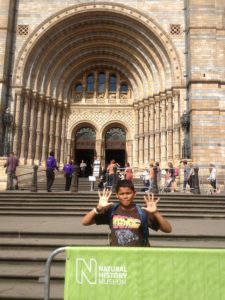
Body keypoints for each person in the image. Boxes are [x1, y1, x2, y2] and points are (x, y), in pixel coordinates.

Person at [82, 180, 172, 247]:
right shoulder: (111, 210)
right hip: (117, 258)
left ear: (134, 194)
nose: (125, 196)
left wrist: (156, 213)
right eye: (122, 194)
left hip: (139, 258)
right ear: (117, 195)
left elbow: (168, 229)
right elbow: (85, 222)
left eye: (128, 193)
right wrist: (98, 208)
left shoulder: (143, 212)